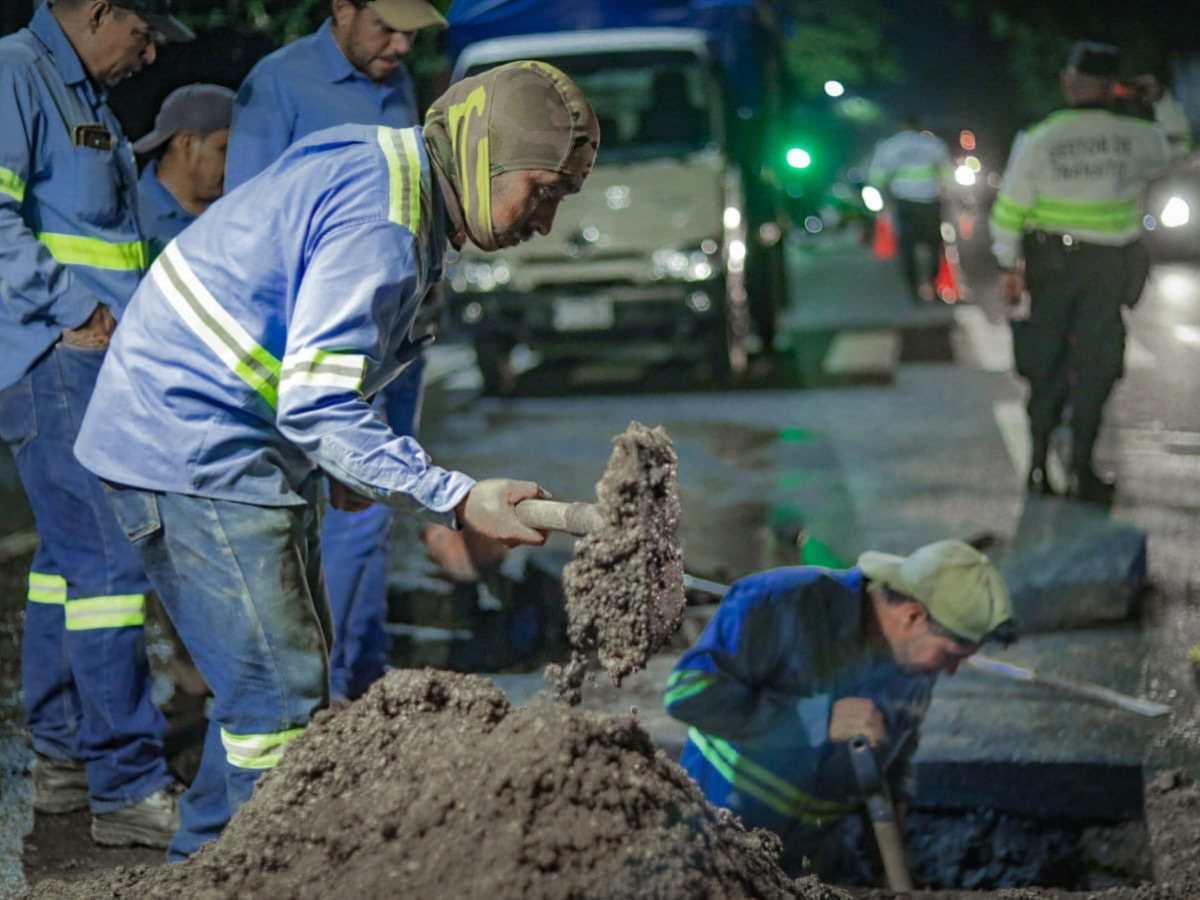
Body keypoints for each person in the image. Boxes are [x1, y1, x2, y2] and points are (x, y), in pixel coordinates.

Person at [74, 60, 601, 859]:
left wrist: (354, 467)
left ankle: (208, 858)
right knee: (278, 697)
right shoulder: (385, 224)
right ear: (483, 151)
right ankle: (248, 872)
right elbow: (318, 403)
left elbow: (322, 372)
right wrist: (455, 497)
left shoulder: (389, 173)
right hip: (192, 445)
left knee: (277, 682)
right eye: (543, 190)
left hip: (216, 438)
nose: (545, 222)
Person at [0, 0, 191, 849]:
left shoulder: (78, 91)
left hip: (90, 361)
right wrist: (75, 308)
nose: (149, 56)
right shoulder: (17, 70)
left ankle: (65, 759)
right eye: (144, 35)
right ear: (102, 10)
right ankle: (128, 788)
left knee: (66, 568)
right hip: (59, 360)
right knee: (114, 566)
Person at [226, 0, 452, 702]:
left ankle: (359, 681)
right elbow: (248, 220)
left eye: (413, 35)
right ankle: (320, 690)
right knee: (305, 523)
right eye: (386, 28)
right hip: (315, 343)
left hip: (387, 340)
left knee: (370, 512)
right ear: (341, 9)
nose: (400, 46)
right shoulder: (279, 84)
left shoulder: (397, 86)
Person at [665, 539, 1014, 881]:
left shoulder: (915, 664)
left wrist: (889, 857)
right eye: (950, 655)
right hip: (711, 844)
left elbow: (897, 756)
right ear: (913, 616)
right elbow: (688, 694)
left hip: (807, 866)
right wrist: (817, 719)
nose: (949, 671)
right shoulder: (783, 602)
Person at [990, 41, 1169, 502]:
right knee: (1098, 366)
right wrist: (1159, 100)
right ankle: (1083, 467)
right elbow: (1180, 145)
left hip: (1051, 267)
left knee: (1044, 363)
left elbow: (1008, 210)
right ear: (1113, 88)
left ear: (1069, 83)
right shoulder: (1137, 135)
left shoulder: (1040, 137)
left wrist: (1009, 264)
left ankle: (1037, 466)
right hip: (1110, 267)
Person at [134, 83, 235, 260]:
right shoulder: (129, 220)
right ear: (187, 143)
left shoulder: (236, 216)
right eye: (224, 149)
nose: (233, 162)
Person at [868, 115, 953, 303]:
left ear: (901, 127)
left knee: (907, 249)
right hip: (930, 201)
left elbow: (876, 178)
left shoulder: (889, 146)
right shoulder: (934, 144)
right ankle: (935, 288)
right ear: (918, 126)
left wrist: (885, 197)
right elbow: (948, 175)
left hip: (905, 203)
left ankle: (914, 292)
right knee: (934, 246)